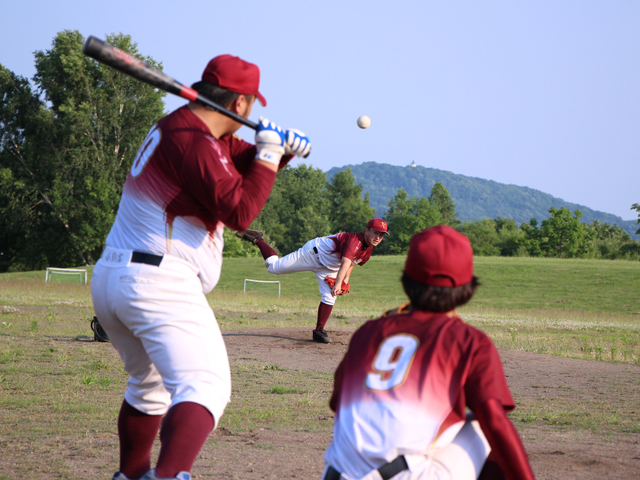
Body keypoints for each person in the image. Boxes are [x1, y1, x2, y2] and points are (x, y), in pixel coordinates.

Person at [90, 54, 311, 480]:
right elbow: (241, 211)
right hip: (157, 281)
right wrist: (269, 152)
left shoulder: (195, 131)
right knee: (207, 386)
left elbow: (244, 170)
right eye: (253, 105)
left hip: (117, 276)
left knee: (149, 388)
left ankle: (131, 474)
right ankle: (169, 475)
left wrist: (277, 155)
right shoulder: (193, 140)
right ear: (242, 104)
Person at [321, 225, 535, 480]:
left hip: (335, 474)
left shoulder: (368, 332)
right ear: (468, 288)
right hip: (403, 476)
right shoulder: (469, 340)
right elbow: (496, 424)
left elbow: (337, 403)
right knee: (479, 425)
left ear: (405, 281)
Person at [236, 218, 389, 344]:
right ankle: (258, 239)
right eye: (375, 232)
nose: (378, 237)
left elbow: (351, 264)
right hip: (312, 254)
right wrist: (337, 283)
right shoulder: (355, 241)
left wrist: (344, 282)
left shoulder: (368, 250)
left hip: (328, 267)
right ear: (367, 230)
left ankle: (319, 330)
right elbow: (345, 262)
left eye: (381, 235)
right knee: (273, 268)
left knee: (330, 295)